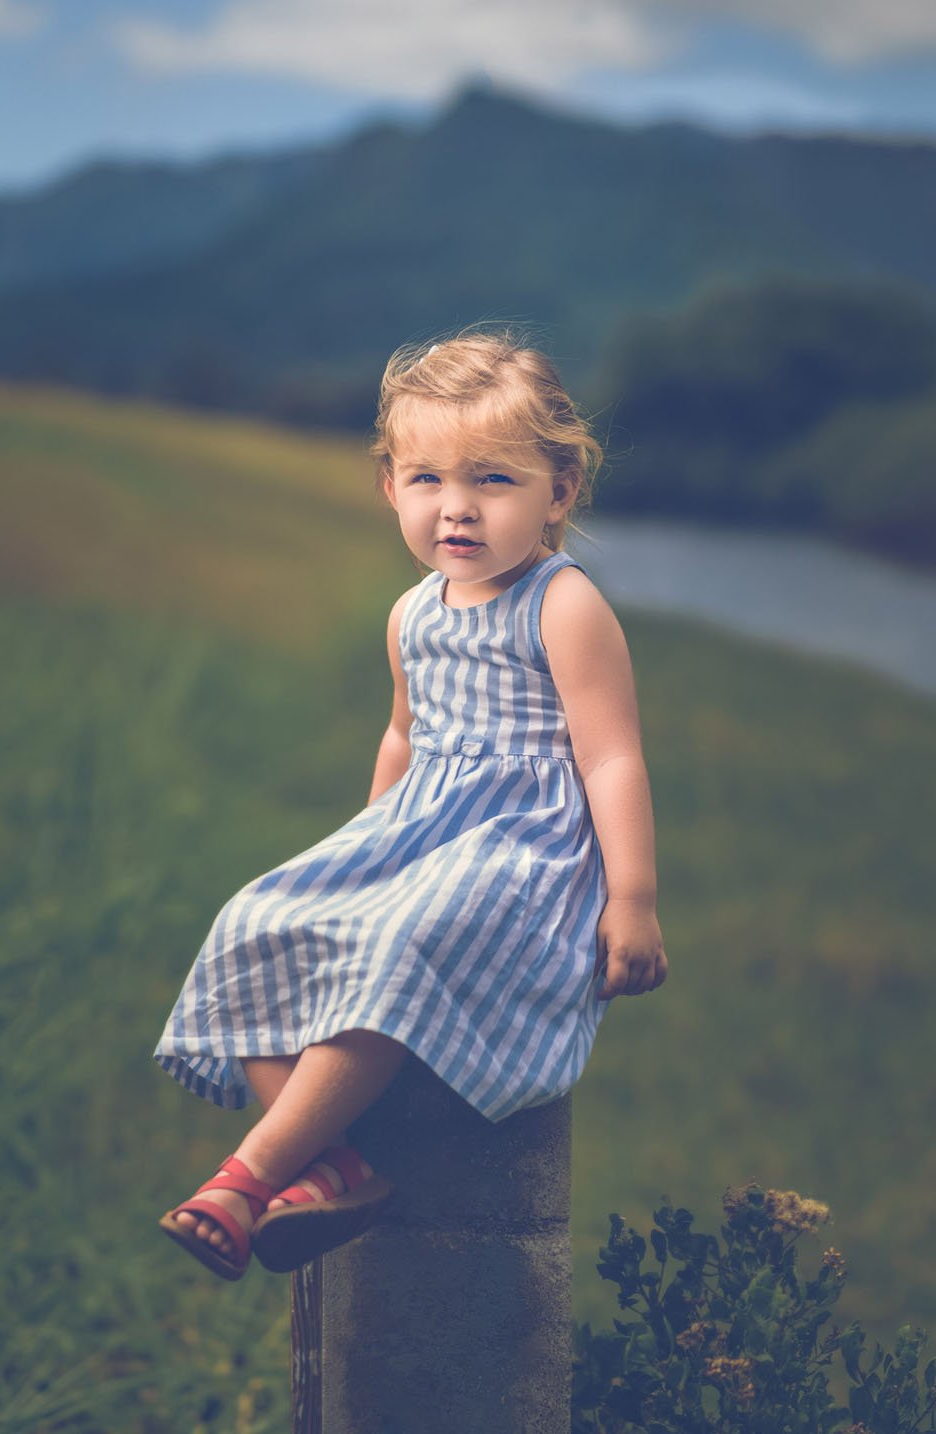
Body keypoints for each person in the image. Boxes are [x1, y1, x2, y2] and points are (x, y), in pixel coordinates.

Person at [155, 328, 668, 1280]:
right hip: (423, 837)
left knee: (402, 943)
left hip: (522, 855)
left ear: (559, 491)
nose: (456, 509)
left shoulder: (562, 604)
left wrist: (630, 899)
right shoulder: (411, 612)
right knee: (257, 923)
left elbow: (610, 761)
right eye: (427, 478)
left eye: (492, 481)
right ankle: (336, 1169)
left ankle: (247, 1177)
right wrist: (363, 855)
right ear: (391, 485)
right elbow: (403, 735)